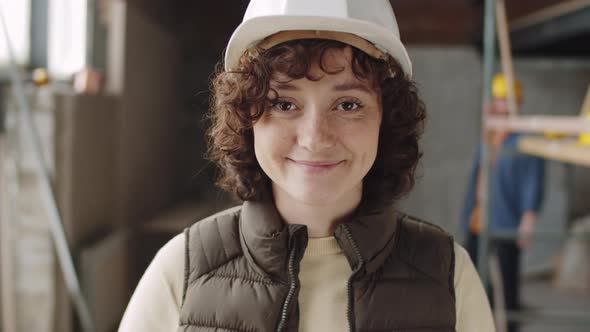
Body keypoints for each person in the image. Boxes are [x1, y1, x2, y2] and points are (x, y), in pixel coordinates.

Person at [119, 0, 495, 331]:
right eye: (284, 104)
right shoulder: (180, 272)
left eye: (348, 104)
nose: (315, 138)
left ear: (387, 119)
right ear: (248, 117)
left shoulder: (448, 276)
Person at [462, 73, 545, 332]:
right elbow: (475, 179)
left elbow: (533, 181)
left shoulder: (524, 140)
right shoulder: (487, 138)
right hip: (478, 221)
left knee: (507, 287)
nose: (500, 107)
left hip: (505, 223)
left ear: (516, 104)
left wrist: (528, 220)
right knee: (473, 281)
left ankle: (508, 328)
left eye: (505, 102)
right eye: (497, 101)